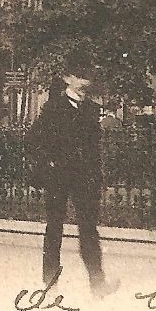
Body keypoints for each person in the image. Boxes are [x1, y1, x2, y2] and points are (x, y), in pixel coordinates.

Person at [26, 62, 113, 296]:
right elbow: (34, 140)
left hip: (84, 178)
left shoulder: (90, 110)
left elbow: (94, 148)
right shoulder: (53, 107)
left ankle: (98, 283)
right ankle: (50, 282)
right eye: (80, 76)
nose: (85, 82)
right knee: (55, 227)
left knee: (88, 228)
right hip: (59, 177)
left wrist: (96, 176)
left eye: (87, 77)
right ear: (67, 78)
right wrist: (49, 163)